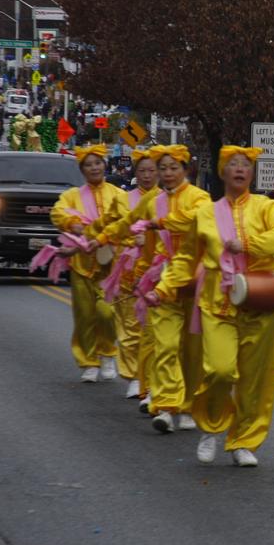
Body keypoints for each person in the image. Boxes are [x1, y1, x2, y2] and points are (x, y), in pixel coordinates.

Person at [146, 145, 274, 467]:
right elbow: (187, 258)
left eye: (246, 165)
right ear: (223, 172)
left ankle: (243, 441)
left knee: (255, 379)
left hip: (259, 299)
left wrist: (250, 244)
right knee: (219, 370)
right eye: (234, 164)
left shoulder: (266, 207)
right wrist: (164, 288)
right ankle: (211, 426)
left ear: (251, 173)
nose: (240, 169)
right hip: (217, 304)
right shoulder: (205, 214)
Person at [125, 145, 211, 433]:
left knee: (192, 349)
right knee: (165, 344)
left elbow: (194, 222)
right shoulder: (152, 202)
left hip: (195, 280)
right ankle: (165, 405)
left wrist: (157, 222)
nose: (168, 174)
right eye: (163, 168)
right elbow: (148, 249)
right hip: (162, 282)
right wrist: (140, 276)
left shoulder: (200, 199)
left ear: (186, 170)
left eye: (174, 168)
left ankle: (188, 405)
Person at [50, 144, 126, 382]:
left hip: (110, 265)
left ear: (105, 165)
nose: (94, 168)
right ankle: (89, 361)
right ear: (82, 169)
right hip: (81, 263)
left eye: (97, 163)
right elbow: (57, 212)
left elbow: (129, 218)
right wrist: (71, 223)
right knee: (84, 315)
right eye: (89, 165)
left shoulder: (118, 194)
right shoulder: (72, 196)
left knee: (107, 312)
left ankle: (107, 354)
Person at [92, 148, 160, 399]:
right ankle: (133, 376)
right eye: (142, 170)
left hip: (159, 272)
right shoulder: (122, 200)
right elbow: (107, 225)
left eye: (152, 170)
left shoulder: (166, 200)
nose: (146, 175)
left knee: (155, 330)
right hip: (128, 270)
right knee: (131, 325)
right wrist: (90, 238)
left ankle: (153, 380)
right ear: (135, 172)